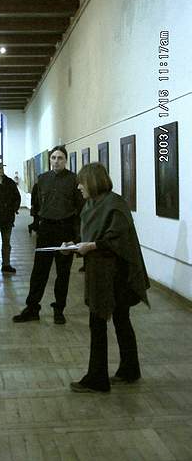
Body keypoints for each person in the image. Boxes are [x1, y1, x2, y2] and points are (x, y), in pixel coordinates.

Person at [69, 162, 150, 393]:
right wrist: (74, 245)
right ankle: (129, 370)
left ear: (93, 181)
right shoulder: (91, 204)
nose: (79, 187)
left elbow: (116, 240)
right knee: (119, 321)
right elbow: (91, 236)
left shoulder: (114, 204)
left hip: (116, 274)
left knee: (102, 322)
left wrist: (91, 246)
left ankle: (97, 379)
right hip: (100, 271)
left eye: (82, 183)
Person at [13, 145, 83, 324]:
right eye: (53, 158)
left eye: (60, 158)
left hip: (65, 229)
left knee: (63, 273)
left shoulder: (74, 179)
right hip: (46, 230)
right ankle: (32, 308)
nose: (56, 161)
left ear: (65, 160)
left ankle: (59, 309)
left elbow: (80, 208)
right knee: (39, 271)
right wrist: (37, 223)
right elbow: (37, 204)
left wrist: (76, 237)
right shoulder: (43, 179)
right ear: (50, 160)